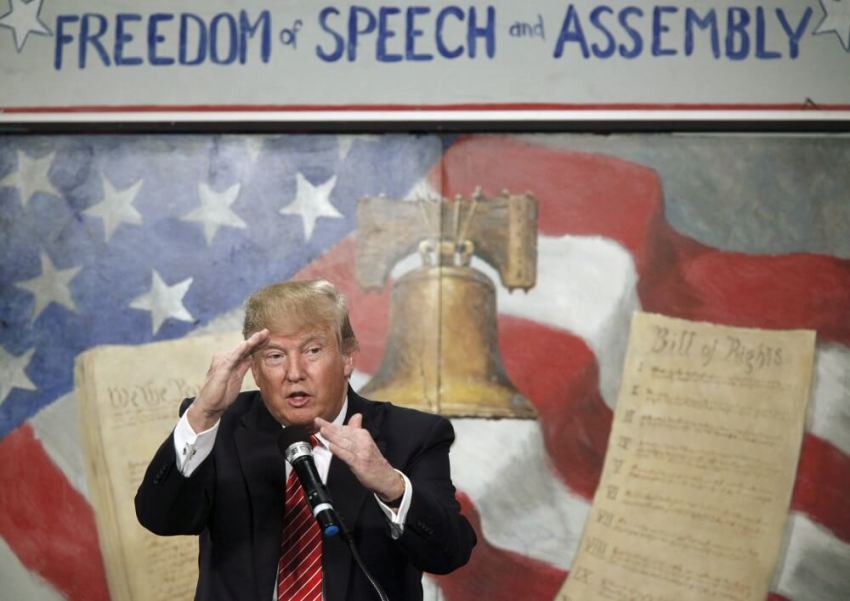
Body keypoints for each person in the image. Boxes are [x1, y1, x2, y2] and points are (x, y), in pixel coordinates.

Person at [135, 279, 476, 601]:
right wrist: (202, 414)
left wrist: (390, 484)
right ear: (254, 369)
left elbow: (449, 554)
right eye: (275, 356)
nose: (294, 372)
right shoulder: (218, 426)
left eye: (312, 350)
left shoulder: (411, 435)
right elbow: (161, 519)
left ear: (347, 357)